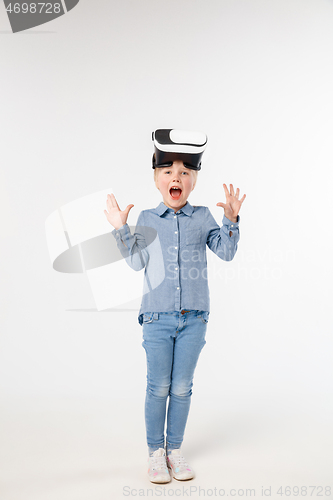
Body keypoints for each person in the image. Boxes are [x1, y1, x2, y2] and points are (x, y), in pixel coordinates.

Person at [104, 129, 246, 483]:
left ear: (194, 181)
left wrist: (231, 220)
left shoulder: (202, 218)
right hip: (157, 317)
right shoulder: (149, 220)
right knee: (159, 387)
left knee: (182, 387)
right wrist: (122, 229)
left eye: (184, 173)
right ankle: (155, 454)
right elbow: (137, 264)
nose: (176, 178)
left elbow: (226, 252)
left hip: (195, 318)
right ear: (156, 179)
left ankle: (175, 452)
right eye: (168, 172)